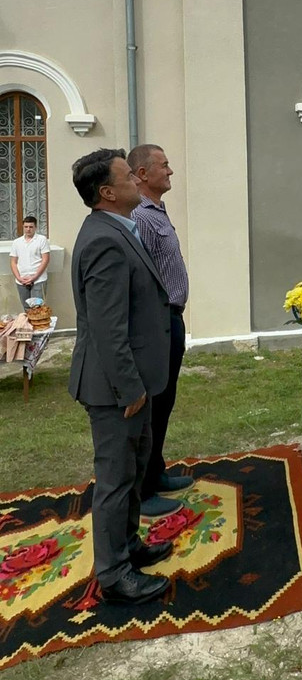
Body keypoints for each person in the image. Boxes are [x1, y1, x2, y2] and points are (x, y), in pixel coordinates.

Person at [70, 148, 173, 606]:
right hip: (116, 388)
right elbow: (109, 328)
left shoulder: (117, 229)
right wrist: (130, 387)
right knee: (114, 480)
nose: (138, 178)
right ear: (108, 192)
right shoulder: (103, 240)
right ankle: (114, 576)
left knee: (133, 470)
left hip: (134, 382)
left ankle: (129, 548)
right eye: (129, 175)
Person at [128, 143, 192, 518]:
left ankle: (157, 471)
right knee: (151, 406)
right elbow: (142, 279)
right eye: (163, 165)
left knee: (164, 402)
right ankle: (144, 489)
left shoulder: (156, 212)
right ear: (142, 174)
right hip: (158, 322)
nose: (170, 171)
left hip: (172, 318)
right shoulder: (141, 216)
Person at [9, 216, 50, 308]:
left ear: (35, 227)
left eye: (31, 227)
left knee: (37, 308)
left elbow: (45, 260)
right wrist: (19, 278)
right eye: (26, 227)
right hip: (21, 281)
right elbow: (13, 262)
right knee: (26, 308)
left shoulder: (41, 240)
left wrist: (34, 277)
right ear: (23, 227)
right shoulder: (17, 242)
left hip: (38, 280)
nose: (28, 229)